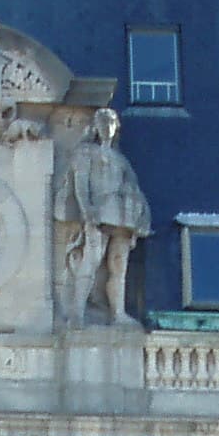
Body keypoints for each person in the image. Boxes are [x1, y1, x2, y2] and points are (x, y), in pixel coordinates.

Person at [55, 105, 151, 325]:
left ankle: (118, 313)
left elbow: (133, 189)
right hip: (98, 211)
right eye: (102, 123)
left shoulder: (121, 160)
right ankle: (77, 311)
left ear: (115, 127)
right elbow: (81, 183)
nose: (106, 127)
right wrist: (87, 209)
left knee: (118, 264)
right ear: (95, 127)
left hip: (121, 214)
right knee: (92, 258)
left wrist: (139, 216)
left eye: (110, 123)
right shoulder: (86, 152)